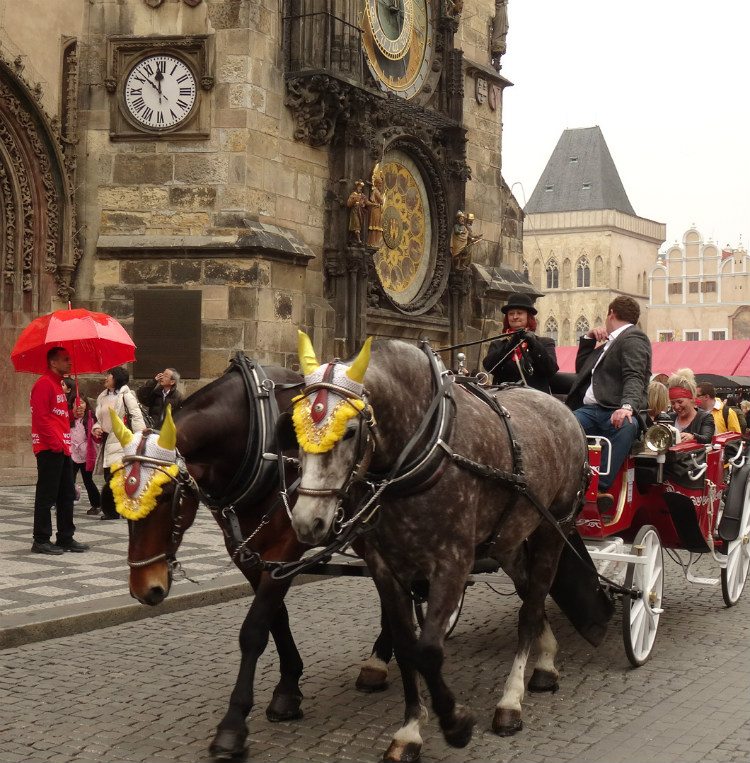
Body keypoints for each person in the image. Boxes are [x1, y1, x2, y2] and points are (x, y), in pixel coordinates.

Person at [566, 296, 651, 511]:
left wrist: (627, 407)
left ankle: (600, 487)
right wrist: (587, 338)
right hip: (590, 410)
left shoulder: (633, 337)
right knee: (564, 426)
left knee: (625, 426)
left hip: (611, 410)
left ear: (611, 313)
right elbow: (582, 371)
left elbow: (635, 376)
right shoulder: (611, 342)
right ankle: (563, 480)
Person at [29, 347, 90, 554]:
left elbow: (60, 419)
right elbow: (41, 418)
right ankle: (41, 539)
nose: (69, 363)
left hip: (63, 447)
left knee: (66, 494)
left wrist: (74, 414)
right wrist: (55, 444)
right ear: (53, 363)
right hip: (50, 448)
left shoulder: (58, 385)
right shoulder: (43, 384)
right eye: (65, 360)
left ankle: (65, 536)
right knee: (46, 495)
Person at [92, 366, 145, 520]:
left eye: (109, 374)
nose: (106, 377)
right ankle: (116, 509)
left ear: (116, 378)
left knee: (116, 475)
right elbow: (99, 420)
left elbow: (136, 416)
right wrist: (96, 428)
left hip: (121, 440)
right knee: (110, 475)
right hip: (106, 440)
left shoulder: (126, 395)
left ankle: (115, 510)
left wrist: (139, 438)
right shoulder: (102, 397)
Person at [482, 293, 558, 393]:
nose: (515, 317)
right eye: (511, 313)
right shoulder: (497, 345)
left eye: (519, 313)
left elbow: (550, 370)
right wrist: (511, 344)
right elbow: (490, 367)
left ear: (528, 317)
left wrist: (533, 343)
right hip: (505, 398)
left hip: (536, 398)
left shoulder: (545, 342)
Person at [69, 393, 102, 516]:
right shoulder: (68, 416)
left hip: (86, 453)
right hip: (71, 452)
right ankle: (66, 504)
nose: (79, 405)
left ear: (86, 404)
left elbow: (95, 432)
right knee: (68, 480)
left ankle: (97, 504)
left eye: (82, 402)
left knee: (88, 481)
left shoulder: (90, 417)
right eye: (76, 403)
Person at [667, 369, 714, 444]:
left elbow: (707, 438)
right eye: (672, 403)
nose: (676, 406)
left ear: (692, 399)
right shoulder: (669, 418)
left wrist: (693, 437)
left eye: (680, 402)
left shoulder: (705, 417)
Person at [347, 180, 368, 245]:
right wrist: (354, 200)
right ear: (356, 187)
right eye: (359, 186)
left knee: (358, 225)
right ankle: (358, 240)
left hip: (360, 212)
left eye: (361, 187)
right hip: (354, 212)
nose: (360, 188)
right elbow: (348, 204)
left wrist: (373, 204)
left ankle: (352, 238)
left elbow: (366, 202)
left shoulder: (362, 195)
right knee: (356, 224)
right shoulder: (353, 194)